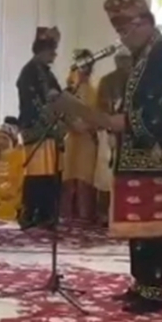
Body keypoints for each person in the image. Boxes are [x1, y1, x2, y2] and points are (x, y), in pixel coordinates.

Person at [101, 0, 162, 314]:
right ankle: (141, 283)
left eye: (125, 32)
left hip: (160, 154)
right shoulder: (146, 53)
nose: (122, 39)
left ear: (143, 23)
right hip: (140, 152)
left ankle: (154, 291)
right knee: (138, 225)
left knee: (154, 228)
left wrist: (128, 124)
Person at [16, 26, 64, 229]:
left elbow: (59, 95)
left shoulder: (46, 73)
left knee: (50, 173)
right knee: (36, 174)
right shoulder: (29, 72)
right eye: (52, 51)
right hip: (36, 129)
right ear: (42, 51)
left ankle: (46, 214)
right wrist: (48, 114)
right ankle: (31, 213)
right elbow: (32, 101)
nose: (54, 55)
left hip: (50, 130)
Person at [94, 47, 133, 225]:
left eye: (127, 59)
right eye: (121, 59)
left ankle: (125, 212)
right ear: (116, 61)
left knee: (127, 175)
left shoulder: (137, 81)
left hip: (130, 135)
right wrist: (110, 126)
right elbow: (100, 108)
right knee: (105, 173)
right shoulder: (106, 81)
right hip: (108, 132)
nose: (124, 63)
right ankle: (104, 213)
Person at [61, 50, 98, 223]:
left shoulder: (94, 92)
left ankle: (84, 217)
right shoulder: (69, 91)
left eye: (86, 65)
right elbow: (61, 112)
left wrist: (87, 126)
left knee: (84, 179)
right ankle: (66, 216)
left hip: (87, 139)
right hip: (70, 138)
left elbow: (100, 116)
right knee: (68, 179)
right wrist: (70, 123)